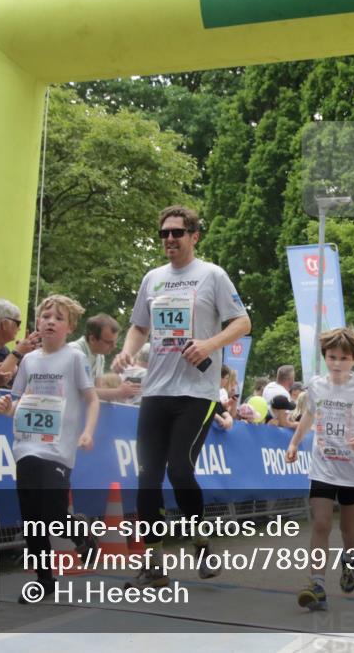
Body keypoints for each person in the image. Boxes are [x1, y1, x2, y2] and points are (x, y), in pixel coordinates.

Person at [112, 205, 250, 588]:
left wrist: (209, 344)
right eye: (164, 234)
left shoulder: (212, 276)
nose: (169, 239)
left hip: (198, 393)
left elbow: (242, 322)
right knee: (147, 477)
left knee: (179, 468)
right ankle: (154, 564)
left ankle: (201, 542)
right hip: (156, 390)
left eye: (177, 232)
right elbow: (139, 326)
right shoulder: (152, 278)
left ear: (194, 236)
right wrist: (128, 350)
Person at [0, 295, 99, 602]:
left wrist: (88, 432)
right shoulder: (29, 360)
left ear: (70, 326)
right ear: (37, 323)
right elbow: (18, 402)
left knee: (52, 514)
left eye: (59, 317)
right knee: (31, 517)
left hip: (57, 449)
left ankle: (80, 534)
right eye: (45, 316)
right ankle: (44, 580)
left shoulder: (74, 358)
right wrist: (6, 408)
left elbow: (91, 399)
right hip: (26, 446)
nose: (51, 321)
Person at [286, 328, 354, 611]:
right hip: (323, 466)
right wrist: (294, 443)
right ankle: (316, 584)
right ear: (324, 357)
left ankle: (349, 559)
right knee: (320, 523)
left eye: (344, 358)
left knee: (348, 527)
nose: (337, 363)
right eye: (332, 357)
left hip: (352, 469)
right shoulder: (317, 386)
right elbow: (309, 415)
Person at [70, 313, 139, 402]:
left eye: (115, 342)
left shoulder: (100, 356)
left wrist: (120, 386)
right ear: (92, 339)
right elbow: (80, 392)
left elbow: (97, 389)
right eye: (109, 342)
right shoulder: (74, 352)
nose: (114, 346)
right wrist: (119, 392)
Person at [0, 298, 39, 383]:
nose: (19, 328)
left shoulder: (3, 350)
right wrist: (17, 352)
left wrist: (27, 354)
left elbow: (17, 378)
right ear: (4, 324)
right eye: (18, 323)